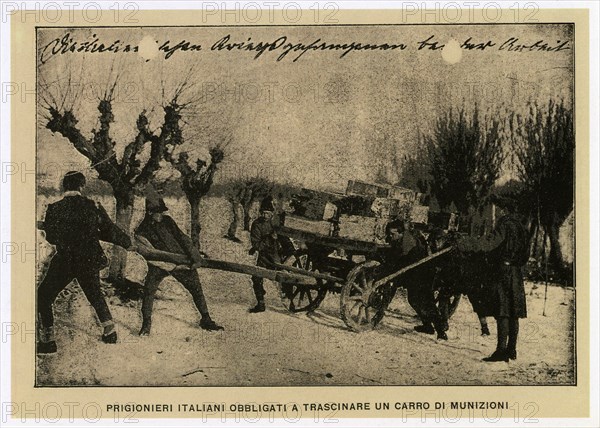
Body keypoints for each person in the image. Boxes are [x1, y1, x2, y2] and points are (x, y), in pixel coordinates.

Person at [37, 171, 134, 354]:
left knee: (43, 296)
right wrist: (127, 243)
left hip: (65, 260)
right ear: (82, 186)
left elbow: (51, 237)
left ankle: (47, 341)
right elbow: (109, 229)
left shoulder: (54, 208)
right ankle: (110, 333)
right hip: (89, 259)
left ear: (64, 187)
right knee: (95, 294)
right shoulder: (93, 206)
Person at [135, 196, 223, 335]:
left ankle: (206, 319)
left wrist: (194, 257)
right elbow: (148, 254)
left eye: (162, 212)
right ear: (150, 213)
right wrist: (168, 266)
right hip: (159, 264)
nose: (161, 215)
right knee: (149, 291)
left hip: (181, 260)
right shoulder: (141, 231)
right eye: (158, 212)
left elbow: (182, 238)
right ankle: (146, 324)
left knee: (196, 288)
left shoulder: (168, 221)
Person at [456, 196, 528, 362]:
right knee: (513, 311)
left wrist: (466, 243)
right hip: (516, 272)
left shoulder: (504, 225)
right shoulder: (522, 228)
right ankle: (512, 349)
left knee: (502, 310)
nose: (499, 211)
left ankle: (501, 351)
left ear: (505, 210)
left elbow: (489, 244)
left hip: (502, 271)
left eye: (500, 209)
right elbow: (526, 253)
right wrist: (516, 263)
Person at [383, 219, 448, 340]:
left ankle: (441, 331)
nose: (391, 236)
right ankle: (427, 326)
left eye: (393, 234)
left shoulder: (408, 242)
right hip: (414, 272)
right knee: (413, 300)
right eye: (390, 234)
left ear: (401, 233)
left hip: (424, 273)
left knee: (427, 302)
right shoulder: (400, 239)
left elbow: (403, 260)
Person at [248, 197, 281, 313]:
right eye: (264, 213)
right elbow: (257, 245)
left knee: (283, 277)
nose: (266, 216)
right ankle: (261, 303)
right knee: (256, 278)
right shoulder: (257, 224)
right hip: (264, 257)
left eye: (268, 213)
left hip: (277, 255)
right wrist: (270, 239)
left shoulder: (276, 223)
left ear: (272, 214)